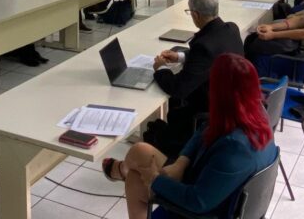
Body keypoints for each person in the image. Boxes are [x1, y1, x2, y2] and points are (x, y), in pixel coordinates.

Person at [102, 54, 277, 219]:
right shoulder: (254, 111)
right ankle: (121, 171)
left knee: (134, 180)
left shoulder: (235, 149)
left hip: (204, 208)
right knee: (139, 151)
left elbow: (197, 202)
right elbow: (205, 128)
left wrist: (154, 180)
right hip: (211, 182)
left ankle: (121, 171)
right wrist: (181, 162)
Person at [149, 0, 245, 155]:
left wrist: (161, 68)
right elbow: (213, 55)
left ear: (195, 15)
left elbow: (178, 88)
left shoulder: (203, 46)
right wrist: (180, 56)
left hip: (209, 112)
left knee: (161, 122)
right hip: (233, 102)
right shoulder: (231, 29)